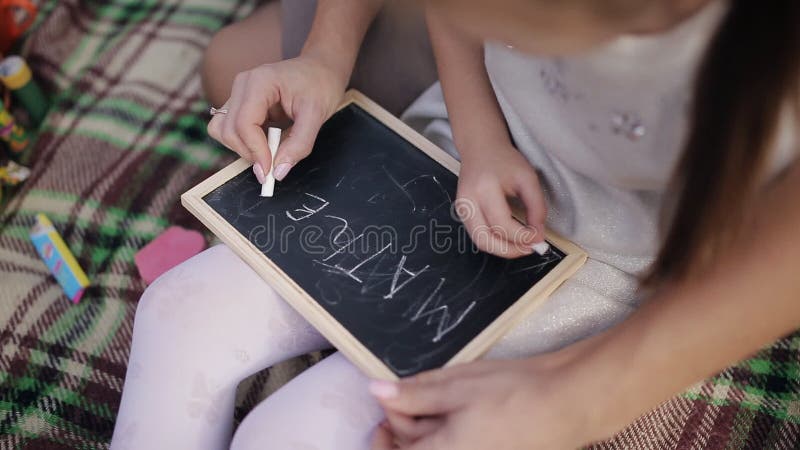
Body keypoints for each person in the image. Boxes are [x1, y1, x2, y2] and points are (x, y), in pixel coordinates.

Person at [111, 0, 800, 449]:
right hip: (460, 145)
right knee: (181, 312)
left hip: (594, 255)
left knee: (294, 435)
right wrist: (479, 138)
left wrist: (574, 400)